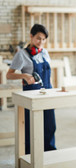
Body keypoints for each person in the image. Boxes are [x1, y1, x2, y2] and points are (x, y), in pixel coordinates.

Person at [6, 24, 56, 154]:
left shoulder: (44, 52)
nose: (41, 42)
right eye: (38, 38)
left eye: (44, 39)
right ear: (31, 36)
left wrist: (54, 91)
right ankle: (29, 156)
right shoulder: (21, 55)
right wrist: (24, 75)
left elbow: (48, 75)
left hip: (47, 93)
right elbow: (9, 74)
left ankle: (50, 154)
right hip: (31, 96)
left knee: (50, 127)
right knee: (31, 129)